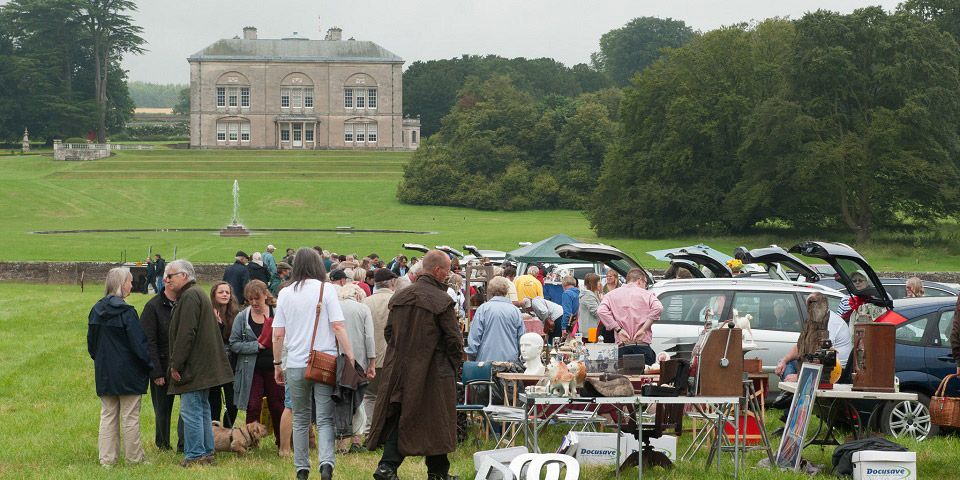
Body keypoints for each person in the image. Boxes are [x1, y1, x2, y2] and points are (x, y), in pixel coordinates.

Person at [367, 250, 462, 480]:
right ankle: (392, 467)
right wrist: (451, 364)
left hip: (401, 369)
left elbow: (390, 333)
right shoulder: (442, 301)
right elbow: (454, 341)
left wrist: (404, 352)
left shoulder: (400, 297)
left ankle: (430, 471)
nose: (448, 276)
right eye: (447, 271)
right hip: (433, 372)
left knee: (409, 417)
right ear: (438, 271)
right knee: (432, 419)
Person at [272, 247, 355, 480]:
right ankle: (326, 464)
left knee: (300, 417)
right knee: (325, 418)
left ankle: (301, 468)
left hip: (296, 362)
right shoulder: (326, 289)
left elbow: (277, 334)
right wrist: (350, 356)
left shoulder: (286, 293)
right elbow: (338, 326)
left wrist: (278, 363)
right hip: (324, 362)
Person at [166, 260, 235, 467]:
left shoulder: (189, 296)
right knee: (202, 409)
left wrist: (176, 364)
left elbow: (186, 334)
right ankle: (206, 452)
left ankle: (196, 454)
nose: (167, 279)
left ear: (184, 276)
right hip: (203, 365)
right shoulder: (196, 294)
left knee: (192, 410)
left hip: (194, 367)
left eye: (171, 275)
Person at [88, 267, 152, 467]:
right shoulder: (127, 313)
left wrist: (102, 361)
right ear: (121, 284)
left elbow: (92, 345)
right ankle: (134, 459)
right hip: (128, 372)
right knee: (130, 416)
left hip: (106, 371)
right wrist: (148, 364)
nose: (132, 285)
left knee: (108, 415)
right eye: (130, 281)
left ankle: (107, 459)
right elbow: (138, 345)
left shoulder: (96, 310)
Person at [230, 280, 284, 448]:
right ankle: (251, 442)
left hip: (275, 367)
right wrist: (256, 346)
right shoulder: (242, 317)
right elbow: (234, 343)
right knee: (253, 405)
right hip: (251, 370)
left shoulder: (277, 313)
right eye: (250, 299)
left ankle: (281, 441)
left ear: (265, 295)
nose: (254, 302)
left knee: (278, 405)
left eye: (257, 298)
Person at [140, 274, 181, 451]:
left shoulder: (185, 303)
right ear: (167, 282)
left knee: (187, 407)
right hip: (162, 364)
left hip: (183, 364)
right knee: (163, 409)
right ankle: (163, 444)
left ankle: (184, 443)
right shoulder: (153, 307)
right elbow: (148, 341)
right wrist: (155, 371)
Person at [335, 283, 377, 453]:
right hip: (359, 361)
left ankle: (341, 443)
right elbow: (369, 337)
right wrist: (372, 361)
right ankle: (357, 440)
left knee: (341, 400)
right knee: (358, 399)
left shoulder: (335, 307)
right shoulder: (363, 308)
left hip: (338, 360)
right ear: (358, 295)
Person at [775, 293, 852, 382]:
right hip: (816, 363)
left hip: (835, 371)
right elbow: (800, 346)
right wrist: (784, 360)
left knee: (793, 371)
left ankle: (795, 389)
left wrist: (800, 377)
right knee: (786, 364)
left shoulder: (830, 322)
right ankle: (792, 390)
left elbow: (826, 356)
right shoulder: (813, 320)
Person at [597, 268, 663, 365]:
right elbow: (658, 308)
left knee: (622, 379)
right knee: (646, 379)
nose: (645, 287)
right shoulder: (647, 295)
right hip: (642, 346)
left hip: (622, 347)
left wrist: (618, 329)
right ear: (640, 280)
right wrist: (643, 329)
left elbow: (601, 310)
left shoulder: (611, 295)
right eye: (645, 283)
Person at [361, 268, 396, 436]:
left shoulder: (366, 302)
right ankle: (387, 433)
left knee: (370, 396)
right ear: (392, 283)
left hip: (370, 356)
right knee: (391, 396)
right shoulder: (396, 301)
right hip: (392, 356)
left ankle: (370, 432)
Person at [466, 276, 524, 363]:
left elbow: (474, 337)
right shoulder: (515, 311)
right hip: (510, 361)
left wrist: (472, 357)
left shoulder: (483, 309)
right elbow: (521, 338)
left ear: (490, 291)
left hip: (485, 361)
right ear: (507, 290)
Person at [209, 281, 240, 428]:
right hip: (213, 364)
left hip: (231, 365)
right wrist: (216, 323)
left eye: (227, 292)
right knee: (214, 402)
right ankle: (214, 433)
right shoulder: (207, 313)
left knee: (233, 402)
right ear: (214, 295)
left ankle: (227, 430)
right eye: (221, 292)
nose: (225, 295)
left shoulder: (236, 314)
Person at [578, 273, 603, 341]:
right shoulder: (588, 295)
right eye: (598, 281)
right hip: (591, 330)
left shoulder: (591, 294)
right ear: (593, 283)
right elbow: (597, 312)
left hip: (590, 329)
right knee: (592, 349)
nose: (600, 284)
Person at [558, 275, 580, 340]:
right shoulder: (579, 292)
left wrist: (564, 328)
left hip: (572, 324)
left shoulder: (567, 294)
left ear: (563, 284)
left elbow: (567, 313)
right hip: (579, 323)